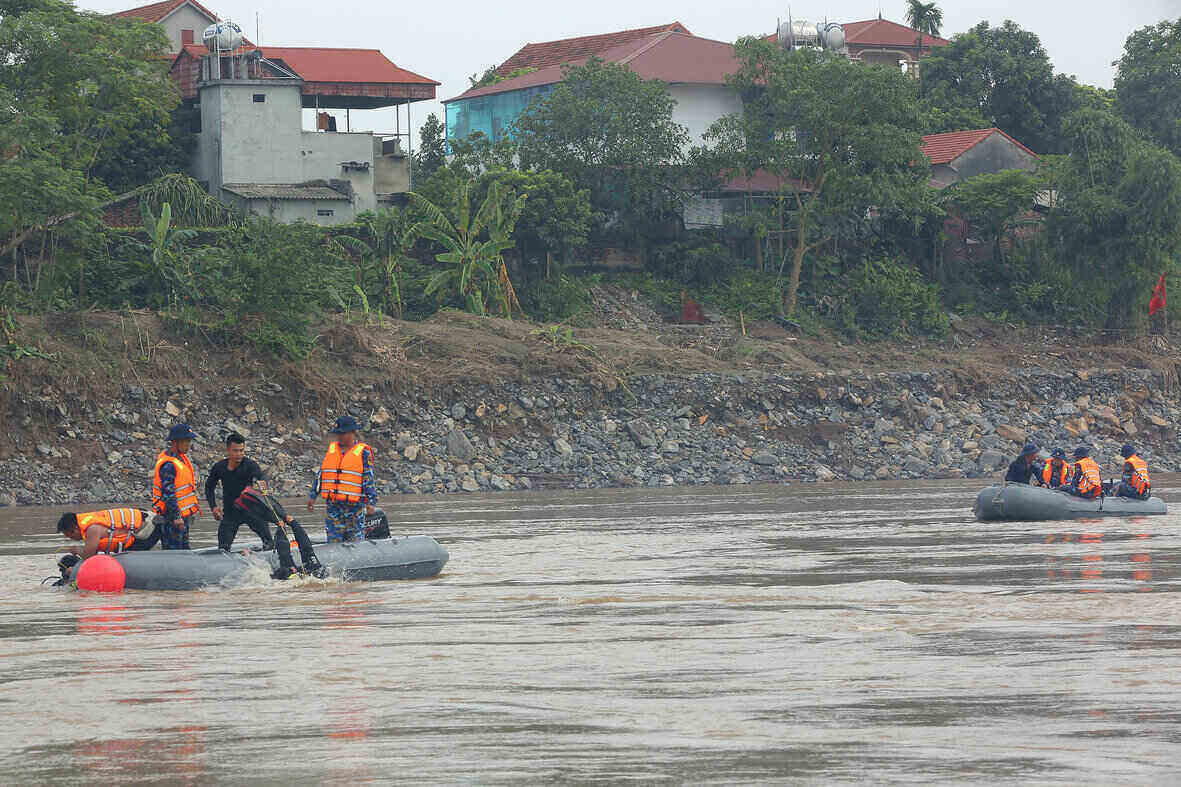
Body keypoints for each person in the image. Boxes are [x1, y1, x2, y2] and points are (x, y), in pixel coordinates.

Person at [307, 415, 377, 542]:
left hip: (354, 508)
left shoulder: (363, 452)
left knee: (355, 541)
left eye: (342, 434)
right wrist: (313, 496)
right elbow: (321, 475)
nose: (339, 437)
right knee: (333, 541)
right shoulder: (332, 450)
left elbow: (368, 479)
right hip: (333, 507)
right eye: (338, 434)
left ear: (352, 433)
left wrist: (371, 503)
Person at [234, 483, 326, 579]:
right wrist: (293, 524)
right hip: (303, 576)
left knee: (287, 562)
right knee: (303, 558)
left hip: (290, 577)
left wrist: (283, 527)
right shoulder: (313, 567)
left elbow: (287, 552)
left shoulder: (292, 569)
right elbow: (305, 546)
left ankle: (281, 528)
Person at [206, 432, 274, 551]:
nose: (239, 454)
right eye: (235, 451)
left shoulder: (249, 465)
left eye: (241, 450)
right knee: (223, 548)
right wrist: (214, 507)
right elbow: (209, 487)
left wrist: (263, 482)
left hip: (251, 511)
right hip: (230, 513)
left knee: (269, 542)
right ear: (228, 450)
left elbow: (261, 476)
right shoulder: (219, 467)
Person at [151, 423, 201, 550]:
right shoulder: (169, 464)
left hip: (183, 517)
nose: (188, 445)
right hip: (172, 519)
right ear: (175, 442)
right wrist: (176, 517)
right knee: (174, 551)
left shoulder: (181, 459)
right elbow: (168, 494)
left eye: (189, 441)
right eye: (186, 441)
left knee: (184, 549)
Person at [56, 508, 160, 560]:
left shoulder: (92, 529)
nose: (72, 539)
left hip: (148, 530)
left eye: (70, 536)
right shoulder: (88, 524)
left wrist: (77, 550)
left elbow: (89, 556)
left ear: (74, 529)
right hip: (146, 522)